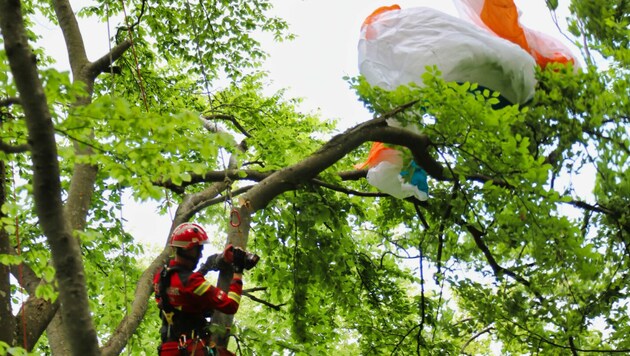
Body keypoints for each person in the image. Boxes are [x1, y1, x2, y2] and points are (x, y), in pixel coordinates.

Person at [153, 222, 258, 356]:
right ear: (189, 249)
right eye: (199, 250)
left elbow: (184, 287)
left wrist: (209, 265)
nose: (200, 255)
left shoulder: (160, 278)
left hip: (168, 349)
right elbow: (231, 306)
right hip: (192, 349)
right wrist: (237, 270)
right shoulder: (192, 282)